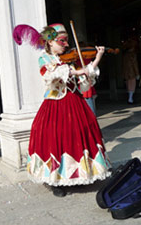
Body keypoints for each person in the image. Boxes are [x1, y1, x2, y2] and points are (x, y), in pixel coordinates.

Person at [23, 23, 111, 197]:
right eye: (61, 41)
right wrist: (77, 72)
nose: (65, 44)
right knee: (54, 136)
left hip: (75, 101)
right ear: (49, 42)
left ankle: (81, 174)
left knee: (82, 131)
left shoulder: (69, 59)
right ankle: (55, 179)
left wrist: (98, 57)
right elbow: (52, 75)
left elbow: (85, 76)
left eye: (66, 41)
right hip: (55, 104)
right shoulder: (45, 59)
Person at [122, 35, 140, 104]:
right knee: (132, 85)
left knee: (128, 85)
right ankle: (130, 99)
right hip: (132, 72)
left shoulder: (125, 55)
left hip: (126, 72)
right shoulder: (133, 54)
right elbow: (134, 64)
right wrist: (137, 73)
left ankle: (130, 98)